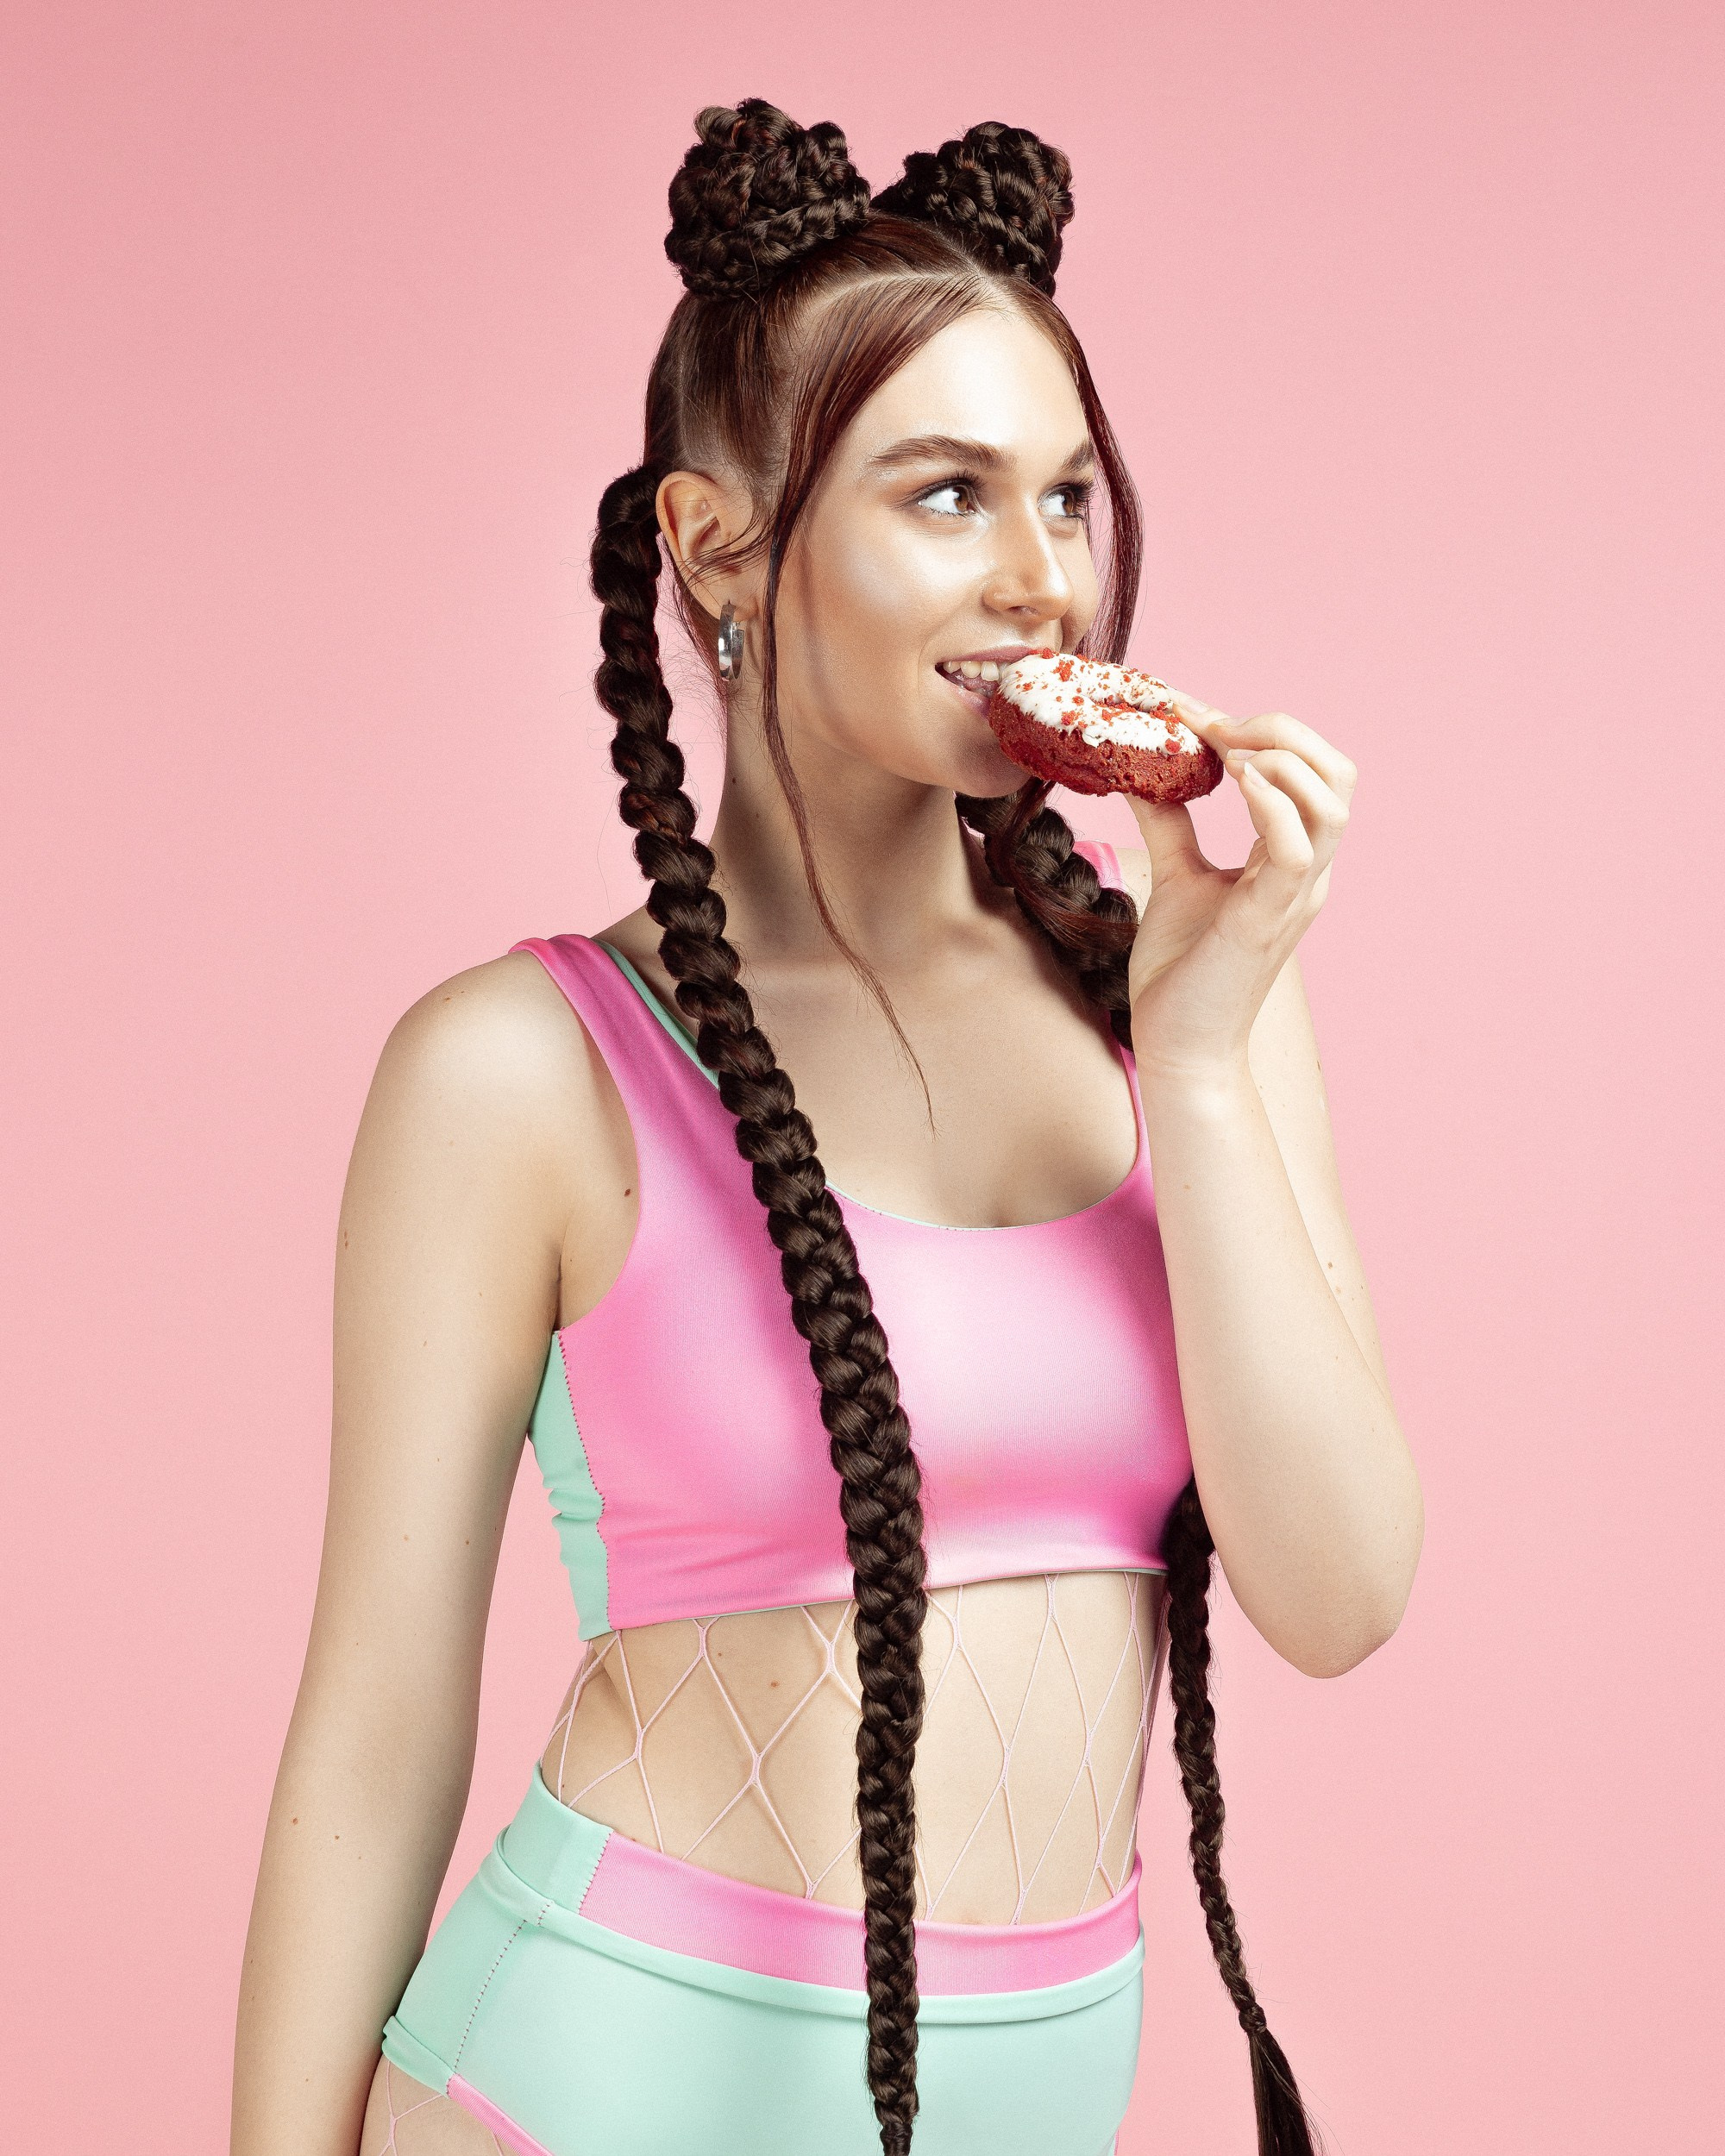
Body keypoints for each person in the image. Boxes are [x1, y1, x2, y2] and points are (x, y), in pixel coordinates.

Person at [232, 101, 1423, 2156]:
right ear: (718, 545)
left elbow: (1338, 1590)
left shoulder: (1186, 1004)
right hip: (588, 2087)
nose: (1042, 578)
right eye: (946, 493)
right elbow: (379, 1721)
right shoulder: (520, 1070)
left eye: (1065, 494)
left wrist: (1207, 1061)